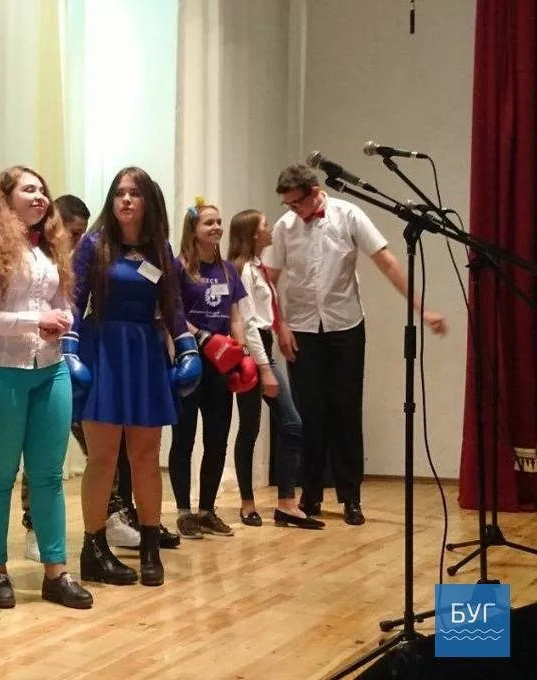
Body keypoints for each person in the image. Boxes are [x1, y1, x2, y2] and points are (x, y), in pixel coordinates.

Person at [263, 164, 447, 525]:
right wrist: (280, 325)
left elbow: (387, 261)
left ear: (315, 191)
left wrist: (422, 309)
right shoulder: (285, 227)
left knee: (346, 410)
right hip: (301, 328)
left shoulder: (348, 214)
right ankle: (310, 495)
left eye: (297, 203)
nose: (293, 210)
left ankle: (350, 497)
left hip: (345, 324)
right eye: (288, 205)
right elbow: (269, 279)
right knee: (309, 412)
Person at [67, 167, 201, 588]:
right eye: (119, 193)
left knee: (146, 455)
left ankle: (149, 546)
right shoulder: (93, 245)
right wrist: (69, 347)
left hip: (144, 352)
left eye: (134, 193)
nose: (125, 200)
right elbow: (74, 300)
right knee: (103, 457)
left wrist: (188, 346)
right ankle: (93, 548)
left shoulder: (160, 249)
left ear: (148, 202)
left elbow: (173, 305)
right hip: (103, 349)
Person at [0, 167, 93, 610]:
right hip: (2, 369)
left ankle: (56, 572)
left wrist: (62, 320)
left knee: (48, 475)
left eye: (43, 189)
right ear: (5, 198)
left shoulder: (49, 249)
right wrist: (32, 321)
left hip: (51, 368)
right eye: (29, 189)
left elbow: (63, 305)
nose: (41, 196)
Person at [20, 194, 146, 560]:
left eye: (82, 233)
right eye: (73, 232)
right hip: (41, 362)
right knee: (44, 447)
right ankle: (34, 526)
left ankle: (111, 515)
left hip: (82, 364)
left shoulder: (90, 257)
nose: (78, 240)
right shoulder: (38, 260)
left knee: (103, 447)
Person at [168, 197, 261, 539]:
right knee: (184, 438)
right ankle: (183, 512)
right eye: (209, 223)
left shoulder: (227, 270)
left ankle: (207, 509)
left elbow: (235, 315)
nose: (217, 228)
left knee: (217, 438)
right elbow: (172, 313)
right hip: (190, 360)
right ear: (193, 229)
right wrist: (202, 337)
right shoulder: (179, 267)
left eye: (219, 222)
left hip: (221, 365)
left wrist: (240, 352)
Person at [227, 208, 324, 530]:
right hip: (252, 352)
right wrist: (264, 367)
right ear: (253, 233)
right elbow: (248, 322)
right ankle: (249, 503)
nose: (270, 230)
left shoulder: (258, 267)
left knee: (284, 424)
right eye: (266, 225)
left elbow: (267, 314)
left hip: (263, 347)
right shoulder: (243, 269)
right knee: (259, 426)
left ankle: (285, 503)